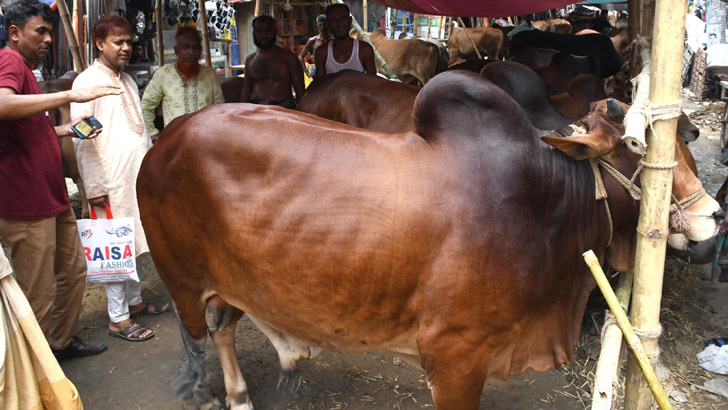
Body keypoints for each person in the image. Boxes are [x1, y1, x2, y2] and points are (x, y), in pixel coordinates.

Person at [0, 0, 121, 359]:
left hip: (52, 197)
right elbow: (3, 106)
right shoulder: (8, 61)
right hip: (27, 204)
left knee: (73, 271)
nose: (49, 39)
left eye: (51, 32)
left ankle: (59, 343)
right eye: (41, 31)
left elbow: (28, 129)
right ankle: (33, 372)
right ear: (15, 33)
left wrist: (67, 129)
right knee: (38, 292)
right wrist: (71, 94)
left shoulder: (26, 70)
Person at [71, 16, 169, 343]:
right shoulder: (87, 82)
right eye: (118, 42)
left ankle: (135, 302)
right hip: (110, 182)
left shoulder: (126, 79)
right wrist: (94, 186)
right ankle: (118, 319)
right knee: (115, 248)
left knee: (132, 242)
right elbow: (82, 138)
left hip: (134, 179)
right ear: (100, 44)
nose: (126, 47)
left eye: (129, 41)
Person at [141, 27, 223, 143]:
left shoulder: (210, 74)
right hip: (175, 143)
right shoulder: (163, 75)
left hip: (206, 142)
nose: (191, 52)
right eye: (185, 47)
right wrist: (152, 133)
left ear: (200, 50)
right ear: (176, 50)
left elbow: (220, 109)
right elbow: (146, 104)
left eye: (195, 47)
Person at [241, 15, 305, 108]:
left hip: (283, 109)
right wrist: (243, 111)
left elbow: (300, 92)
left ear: (274, 32)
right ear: (254, 33)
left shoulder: (289, 58)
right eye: (260, 31)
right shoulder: (250, 60)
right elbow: (246, 91)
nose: (264, 35)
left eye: (268, 30)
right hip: (255, 109)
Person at [314, 3, 376, 77]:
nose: (339, 24)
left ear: (350, 20)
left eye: (342, 18)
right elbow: (320, 85)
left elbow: (373, 84)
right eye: (334, 20)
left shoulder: (365, 50)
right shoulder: (322, 52)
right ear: (328, 23)